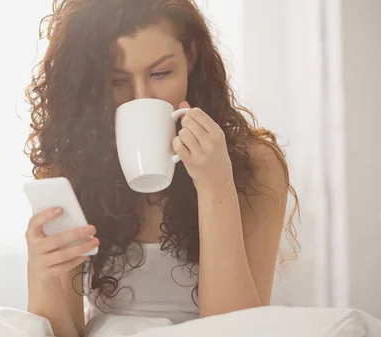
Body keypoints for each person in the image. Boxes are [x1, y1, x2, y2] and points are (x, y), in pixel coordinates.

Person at [23, 1, 299, 336]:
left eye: (160, 73)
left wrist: (215, 186)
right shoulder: (75, 168)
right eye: (117, 81)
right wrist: (42, 273)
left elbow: (237, 330)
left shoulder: (255, 165)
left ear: (191, 56)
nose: (140, 97)